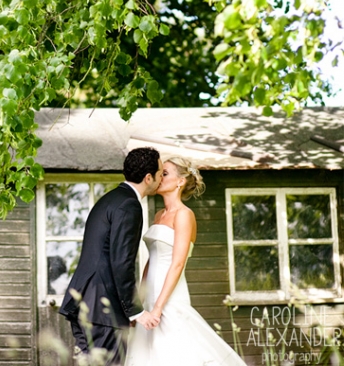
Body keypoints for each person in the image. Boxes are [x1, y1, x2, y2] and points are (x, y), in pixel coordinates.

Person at [124, 157, 246, 365]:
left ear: (180, 181)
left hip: (169, 298)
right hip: (151, 297)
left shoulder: (184, 215)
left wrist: (159, 307)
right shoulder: (159, 215)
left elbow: (178, 263)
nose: (159, 177)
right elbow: (150, 262)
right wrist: (140, 305)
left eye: (165, 173)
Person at [59, 147, 163, 366]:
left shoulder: (109, 199)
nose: (162, 178)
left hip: (86, 303)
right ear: (148, 178)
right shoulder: (129, 205)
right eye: (161, 173)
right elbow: (121, 262)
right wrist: (135, 311)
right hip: (104, 311)